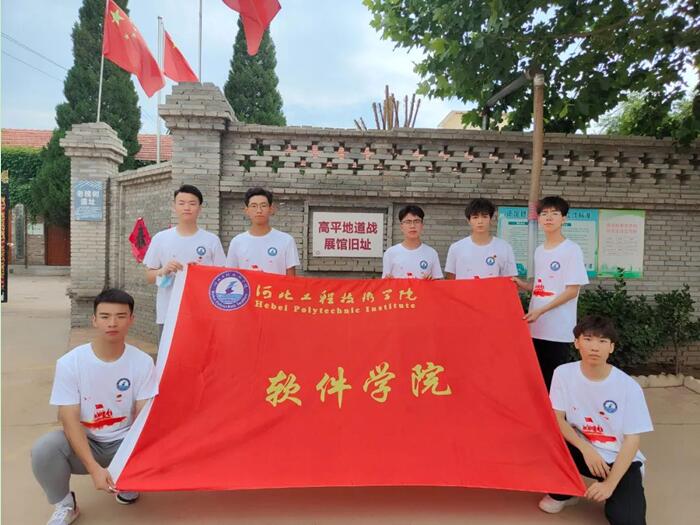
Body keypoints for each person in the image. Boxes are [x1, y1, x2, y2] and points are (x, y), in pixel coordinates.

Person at [31, 289, 158, 525]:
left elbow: (143, 417)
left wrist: (132, 461)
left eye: (121, 316)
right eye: (105, 316)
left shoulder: (142, 362)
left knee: (165, 440)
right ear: (94, 320)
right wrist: (94, 468)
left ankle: (128, 481)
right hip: (88, 442)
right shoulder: (71, 363)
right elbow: (69, 418)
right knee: (44, 449)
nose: (112, 323)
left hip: (125, 442)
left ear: (131, 319)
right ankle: (66, 505)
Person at [538, 315, 653, 525]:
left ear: (611, 347)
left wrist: (609, 485)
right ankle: (564, 492)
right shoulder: (563, 374)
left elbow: (632, 440)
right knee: (543, 435)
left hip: (618, 458)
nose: (594, 347)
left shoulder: (628, 387)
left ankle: (618, 485)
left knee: (627, 520)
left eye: (602, 341)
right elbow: (558, 418)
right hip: (581, 448)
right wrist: (586, 449)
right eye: (588, 339)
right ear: (576, 342)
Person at [514, 196, 589, 390]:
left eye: (554, 213)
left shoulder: (571, 250)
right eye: (544, 213)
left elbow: (572, 290)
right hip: (535, 327)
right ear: (538, 218)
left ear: (563, 219)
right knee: (536, 380)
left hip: (557, 329)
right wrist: (523, 285)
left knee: (553, 381)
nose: (549, 218)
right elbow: (543, 286)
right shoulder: (540, 250)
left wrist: (542, 310)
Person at [143, 185, 225, 338]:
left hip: (202, 312)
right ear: (174, 206)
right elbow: (148, 276)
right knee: (168, 353)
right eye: (181, 203)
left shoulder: (211, 240)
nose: (187, 208)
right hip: (169, 312)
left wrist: (201, 272)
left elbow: (222, 278)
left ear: (200, 208)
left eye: (192, 203)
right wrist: (163, 270)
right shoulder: (161, 238)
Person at [226, 187, 300, 275]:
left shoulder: (286, 240)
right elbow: (230, 275)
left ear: (271, 209)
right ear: (247, 210)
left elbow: (291, 279)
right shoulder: (237, 242)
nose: (259, 210)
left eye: (263, 205)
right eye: (254, 206)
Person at [444, 198, 517, 279]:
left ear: (491, 219)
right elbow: (450, 280)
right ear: (468, 221)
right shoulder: (456, 248)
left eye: (484, 217)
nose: (480, 221)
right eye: (475, 217)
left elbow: (510, 280)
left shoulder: (504, 247)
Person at [382, 205, 443, 279]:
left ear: (422, 225)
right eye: (408, 222)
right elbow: (385, 282)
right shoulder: (390, 253)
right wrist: (387, 279)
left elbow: (438, 281)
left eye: (416, 221)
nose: (412, 226)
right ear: (401, 226)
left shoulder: (432, 253)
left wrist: (431, 280)